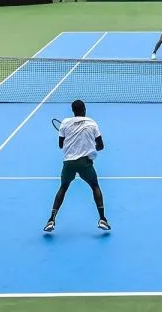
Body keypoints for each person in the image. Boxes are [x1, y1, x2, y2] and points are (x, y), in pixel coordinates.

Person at [44, 99, 110, 233]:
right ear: (84, 109)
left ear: (73, 111)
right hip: (85, 163)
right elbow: (101, 146)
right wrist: (94, 146)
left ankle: (51, 220)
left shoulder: (65, 123)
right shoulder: (92, 123)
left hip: (69, 163)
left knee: (63, 187)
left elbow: (61, 145)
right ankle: (102, 219)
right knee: (95, 186)